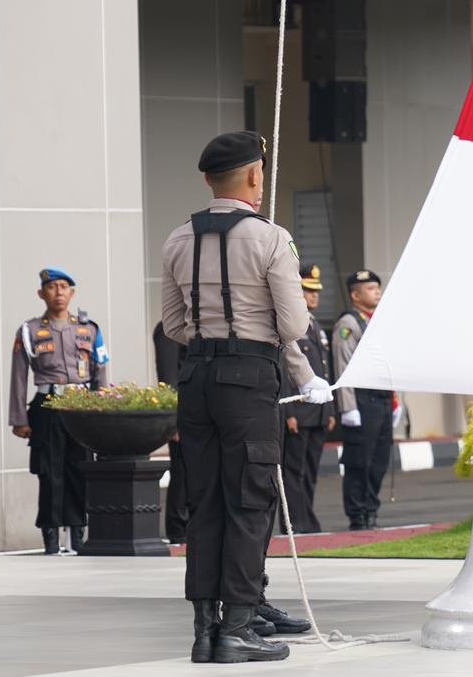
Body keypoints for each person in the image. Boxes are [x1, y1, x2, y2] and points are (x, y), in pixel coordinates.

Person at [160, 130, 333, 664]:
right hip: (249, 379)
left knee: (204, 501)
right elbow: (294, 322)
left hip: (196, 379)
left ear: (210, 179)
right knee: (249, 500)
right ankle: (238, 628)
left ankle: (205, 630)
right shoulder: (271, 238)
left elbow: (172, 325)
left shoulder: (177, 238)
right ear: (254, 176)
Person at [8, 268, 110, 556]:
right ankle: (51, 538)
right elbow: (18, 376)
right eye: (52, 287)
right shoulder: (29, 331)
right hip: (47, 405)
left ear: (73, 293)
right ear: (42, 294)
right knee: (49, 472)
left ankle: (78, 535)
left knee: (80, 471)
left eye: (64, 287)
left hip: (80, 407)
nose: (59, 293)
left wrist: (100, 411)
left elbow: (100, 372)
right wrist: (19, 419)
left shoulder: (89, 329)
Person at [332, 269, 394, 531]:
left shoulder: (377, 321)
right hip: (361, 400)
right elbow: (342, 365)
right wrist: (347, 407)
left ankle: (371, 509)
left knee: (379, 460)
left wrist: (396, 401)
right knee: (360, 460)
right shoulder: (348, 324)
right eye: (370, 288)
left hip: (381, 400)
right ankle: (358, 514)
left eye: (377, 287)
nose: (377, 291)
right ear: (355, 295)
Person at [278, 263, 335, 534]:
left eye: (316, 292)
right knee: (293, 472)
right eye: (306, 291)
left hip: (317, 412)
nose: (314, 296)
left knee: (310, 471)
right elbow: (285, 368)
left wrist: (330, 409)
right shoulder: (290, 325)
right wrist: (288, 413)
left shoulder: (315, 325)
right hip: (297, 411)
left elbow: (323, 369)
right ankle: (294, 522)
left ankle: (308, 520)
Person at [153, 321, 189, 544]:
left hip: (201, 412)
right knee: (183, 473)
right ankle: (178, 529)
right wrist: (174, 421)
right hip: (183, 414)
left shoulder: (200, 323)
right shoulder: (170, 327)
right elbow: (168, 378)